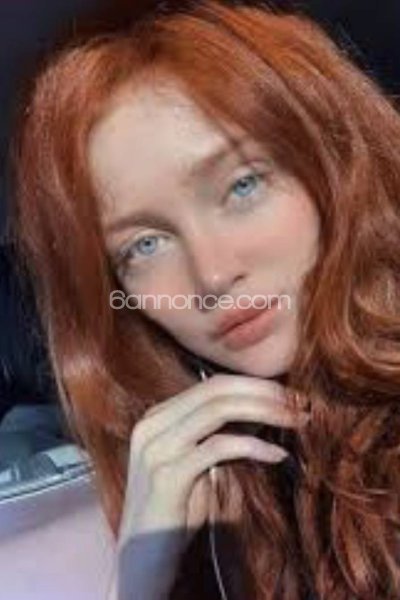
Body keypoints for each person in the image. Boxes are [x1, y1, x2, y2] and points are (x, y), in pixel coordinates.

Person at [13, 1, 400, 598]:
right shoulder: (227, 471)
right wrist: (142, 575)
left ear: (333, 170)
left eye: (243, 186)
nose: (212, 275)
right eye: (144, 245)